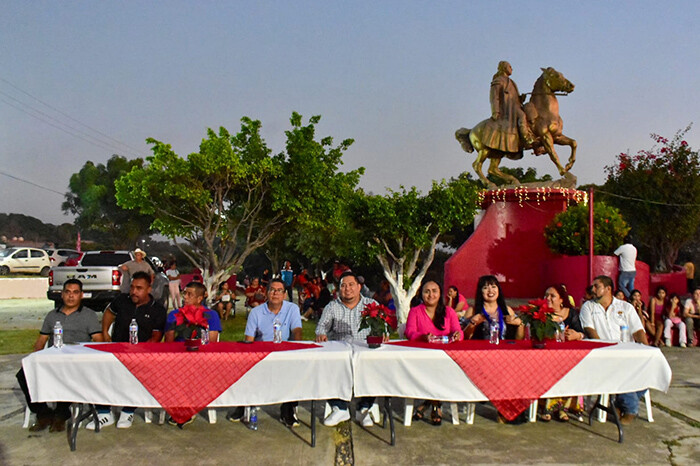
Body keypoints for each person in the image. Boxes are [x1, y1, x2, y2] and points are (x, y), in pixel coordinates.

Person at [16, 279, 103, 433]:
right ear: (62, 295)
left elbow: (98, 340)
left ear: (81, 295)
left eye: (75, 292)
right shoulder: (52, 316)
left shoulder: (88, 315)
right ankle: (43, 413)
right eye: (67, 292)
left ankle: (61, 414)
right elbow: (41, 340)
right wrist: (35, 360)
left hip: (76, 360)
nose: (71, 296)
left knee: (67, 374)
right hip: (53, 358)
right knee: (24, 374)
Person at [88, 271, 167, 430]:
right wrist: (104, 332)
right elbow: (109, 313)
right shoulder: (122, 300)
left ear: (149, 289)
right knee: (97, 370)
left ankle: (127, 410)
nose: (134, 292)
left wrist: (142, 352)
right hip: (116, 350)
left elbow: (157, 336)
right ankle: (104, 412)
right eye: (132, 287)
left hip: (140, 354)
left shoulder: (157, 309)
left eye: (139, 288)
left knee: (137, 373)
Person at [226, 279, 303, 427]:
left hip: (284, 353)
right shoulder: (256, 312)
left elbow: (297, 331)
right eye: (272, 290)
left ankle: (287, 410)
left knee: (295, 367)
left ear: (285, 294)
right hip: (261, 353)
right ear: (266, 293)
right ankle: (243, 406)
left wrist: (294, 351)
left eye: (279, 290)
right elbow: (249, 339)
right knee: (244, 365)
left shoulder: (292, 309)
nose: (275, 293)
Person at [580, 275, 648, 424]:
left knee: (649, 368)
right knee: (621, 368)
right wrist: (606, 350)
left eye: (596, 286)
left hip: (628, 353)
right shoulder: (588, 307)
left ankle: (619, 404)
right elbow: (590, 331)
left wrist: (646, 351)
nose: (593, 289)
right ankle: (631, 408)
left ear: (608, 288)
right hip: (602, 354)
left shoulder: (625, 307)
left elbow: (638, 331)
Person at [315, 271, 379, 427]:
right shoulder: (332, 306)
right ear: (339, 289)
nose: (347, 289)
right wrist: (321, 334)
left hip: (364, 350)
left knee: (376, 365)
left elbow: (381, 327)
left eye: (351, 285)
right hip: (339, 350)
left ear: (359, 287)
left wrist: (382, 333)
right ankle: (340, 407)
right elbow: (321, 327)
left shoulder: (371, 305)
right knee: (325, 366)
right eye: (343, 285)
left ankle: (364, 408)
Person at [405, 280, 463, 426]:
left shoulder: (449, 311)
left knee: (441, 369)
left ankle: (427, 404)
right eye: (427, 291)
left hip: (446, 357)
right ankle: (435, 405)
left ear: (440, 293)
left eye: (434, 291)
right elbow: (409, 332)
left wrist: (456, 335)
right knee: (432, 370)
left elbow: (459, 332)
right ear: (421, 294)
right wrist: (422, 337)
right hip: (422, 356)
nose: (431, 294)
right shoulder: (415, 311)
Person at [539, 285, 585, 422]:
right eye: (546, 295)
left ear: (561, 300)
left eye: (552, 296)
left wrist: (577, 335)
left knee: (572, 369)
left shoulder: (571, 314)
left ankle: (564, 408)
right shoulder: (540, 314)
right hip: (547, 357)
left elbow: (582, 333)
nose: (548, 298)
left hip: (568, 356)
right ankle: (547, 407)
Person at [482, 60, 534, 153]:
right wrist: (495, 111)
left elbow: (514, 97)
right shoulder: (498, 81)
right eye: (510, 67)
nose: (511, 69)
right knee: (522, 116)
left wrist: (521, 98)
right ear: (504, 68)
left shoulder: (512, 82)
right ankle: (527, 138)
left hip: (515, 106)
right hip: (508, 108)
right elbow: (494, 97)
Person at [463, 275, 523, 340]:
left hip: (504, 349)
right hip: (481, 349)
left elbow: (519, 339)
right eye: (485, 288)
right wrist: (472, 324)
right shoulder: (472, 311)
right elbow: (465, 338)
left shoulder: (507, 310)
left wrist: (520, 324)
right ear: (480, 291)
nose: (490, 290)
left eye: (493, 287)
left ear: (498, 290)